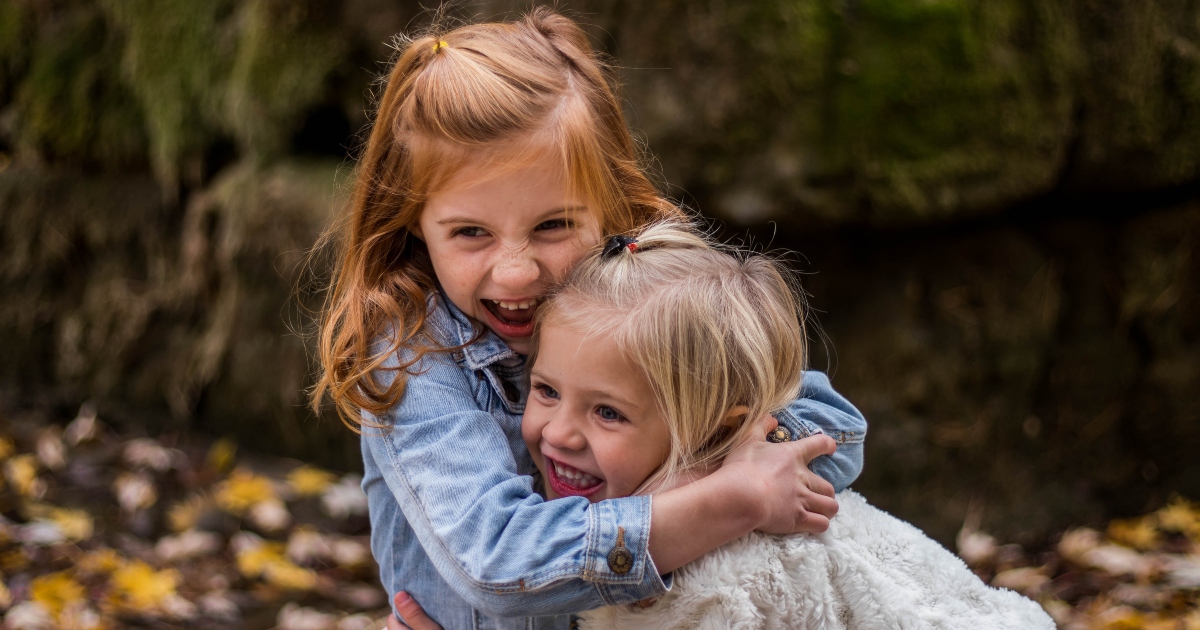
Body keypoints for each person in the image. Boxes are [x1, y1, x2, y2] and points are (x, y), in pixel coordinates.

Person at [313, 9, 867, 629]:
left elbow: (832, 427)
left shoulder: (644, 298)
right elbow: (498, 561)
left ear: (606, 202)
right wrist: (724, 501)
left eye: (553, 225)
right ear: (415, 220)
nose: (517, 272)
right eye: (471, 233)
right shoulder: (412, 351)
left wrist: (687, 479)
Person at [521, 222, 1055, 629]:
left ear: (714, 433)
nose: (558, 434)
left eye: (608, 412)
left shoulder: (734, 580)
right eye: (546, 391)